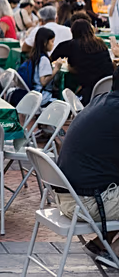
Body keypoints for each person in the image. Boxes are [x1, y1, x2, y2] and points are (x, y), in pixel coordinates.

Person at [56, 68, 119, 264]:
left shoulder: (101, 100)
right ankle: (116, 251)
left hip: (68, 197)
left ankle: (102, 244)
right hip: (85, 204)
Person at [52, 19, 114, 105]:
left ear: (72, 31)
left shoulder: (71, 45)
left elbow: (53, 58)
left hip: (87, 89)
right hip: (107, 85)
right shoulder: (101, 43)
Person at [25, 27, 64, 106]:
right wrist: (56, 68)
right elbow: (43, 81)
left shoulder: (35, 56)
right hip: (43, 96)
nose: (53, 44)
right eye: (52, 41)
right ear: (45, 43)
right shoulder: (44, 59)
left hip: (34, 93)